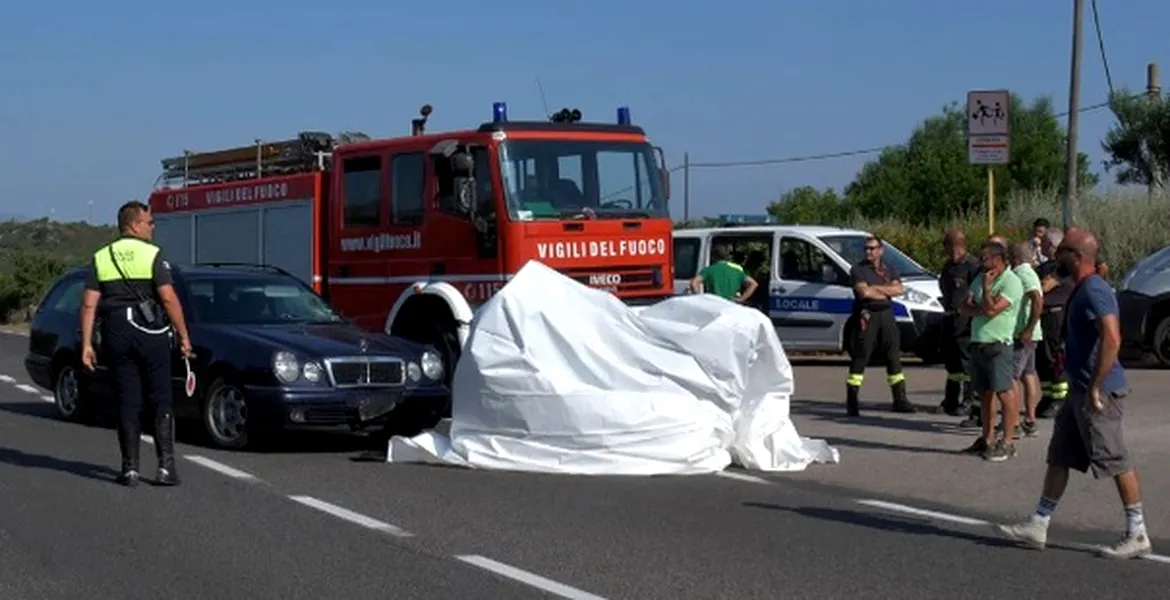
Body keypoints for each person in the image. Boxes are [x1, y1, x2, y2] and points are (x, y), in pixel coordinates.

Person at [997, 228, 1152, 559]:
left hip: (1099, 393)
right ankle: (1039, 523)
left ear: (1078, 257)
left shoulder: (1094, 290)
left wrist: (1096, 385)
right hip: (1079, 391)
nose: (1056, 256)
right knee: (1061, 455)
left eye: (1063, 251)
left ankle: (1137, 531)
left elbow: (1112, 337)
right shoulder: (1083, 288)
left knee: (1115, 459)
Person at [79, 201, 192, 487]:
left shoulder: (101, 256)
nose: (152, 227)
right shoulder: (152, 254)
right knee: (160, 397)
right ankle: (165, 466)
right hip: (149, 331)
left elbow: (89, 304)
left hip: (116, 330)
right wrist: (183, 335)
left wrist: (87, 345)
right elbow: (167, 297)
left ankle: (129, 468)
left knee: (127, 399)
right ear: (134, 224)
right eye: (149, 222)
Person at [959, 238, 1023, 461]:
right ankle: (987, 438)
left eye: (985, 258)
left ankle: (1007, 441)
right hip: (979, 341)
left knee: (1004, 392)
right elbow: (965, 307)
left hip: (999, 343)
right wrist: (981, 307)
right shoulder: (979, 277)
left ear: (998, 259)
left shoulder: (1010, 282)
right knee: (985, 394)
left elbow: (994, 310)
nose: (981, 262)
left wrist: (986, 292)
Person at [844, 235, 916, 416]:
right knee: (861, 357)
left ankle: (900, 399)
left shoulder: (888, 269)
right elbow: (864, 292)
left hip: (886, 315)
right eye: (866, 248)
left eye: (873, 248)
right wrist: (886, 290)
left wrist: (877, 289)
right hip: (867, 315)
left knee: (893, 356)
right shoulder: (858, 270)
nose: (869, 251)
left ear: (880, 250)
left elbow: (899, 290)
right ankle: (852, 401)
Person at [937, 227, 981, 417]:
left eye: (947, 247)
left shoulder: (972, 265)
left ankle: (969, 399)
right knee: (952, 362)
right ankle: (951, 399)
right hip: (950, 318)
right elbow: (944, 288)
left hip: (966, 321)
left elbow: (976, 294)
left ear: (956, 246)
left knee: (966, 362)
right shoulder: (948, 267)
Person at [1009, 240, 1044, 437]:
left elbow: (1037, 298)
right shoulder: (1030, 272)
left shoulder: (1022, 274)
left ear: (1015, 258)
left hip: (1023, 333)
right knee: (1028, 375)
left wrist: (1028, 327)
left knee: (1012, 377)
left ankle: (1013, 422)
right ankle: (1030, 419)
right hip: (1031, 333)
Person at [1036, 229, 1070, 417]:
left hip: (1056, 315)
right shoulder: (1044, 266)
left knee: (1055, 357)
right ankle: (1048, 396)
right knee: (1042, 358)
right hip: (1043, 315)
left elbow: (1044, 286)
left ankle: (1059, 399)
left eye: (1045, 244)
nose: (1041, 247)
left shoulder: (1062, 267)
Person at [689, 244, 758, 302]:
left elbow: (694, 282)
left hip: (714, 303)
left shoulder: (709, 270)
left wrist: (700, 298)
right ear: (727, 257)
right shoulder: (737, 271)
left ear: (713, 256)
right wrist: (741, 299)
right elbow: (754, 284)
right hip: (731, 304)